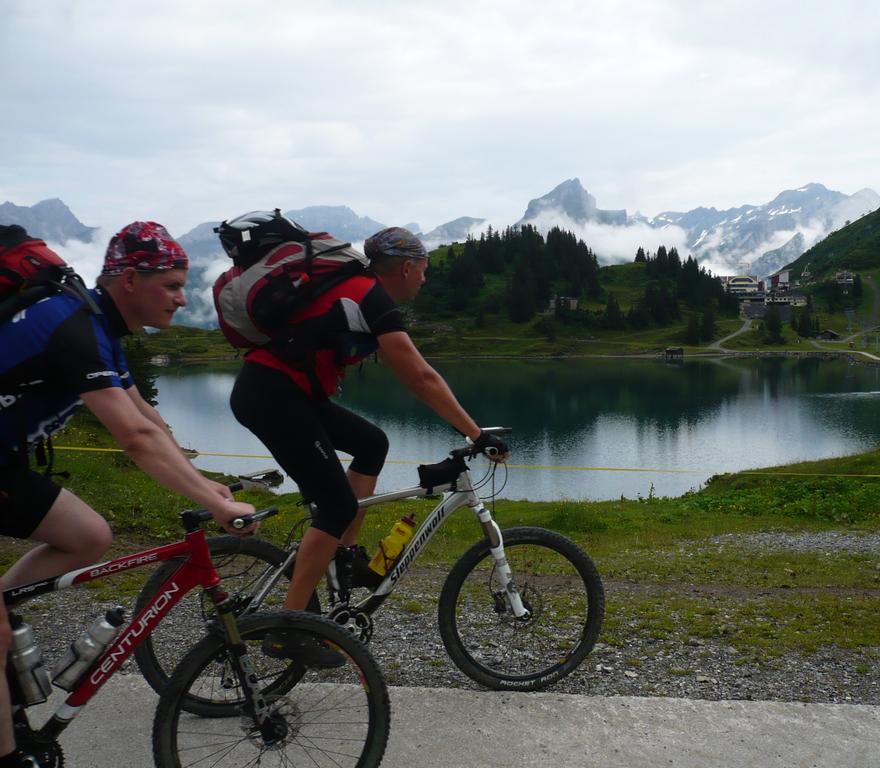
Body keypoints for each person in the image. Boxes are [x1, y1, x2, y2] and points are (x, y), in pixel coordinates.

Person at [0, 222, 254, 767]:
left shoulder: (101, 327)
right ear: (130, 280)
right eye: (171, 285)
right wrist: (218, 508)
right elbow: (133, 439)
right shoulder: (72, 326)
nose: (182, 298)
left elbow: (148, 419)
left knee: (87, 536)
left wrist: (206, 484)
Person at [228, 224, 507, 657]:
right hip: (273, 397)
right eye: (424, 271)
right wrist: (476, 432)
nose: (425, 279)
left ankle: (346, 553)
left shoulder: (356, 291)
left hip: (285, 393)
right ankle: (288, 630)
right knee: (336, 505)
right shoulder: (367, 295)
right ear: (408, 267)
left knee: (371, 442)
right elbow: (419, 375)